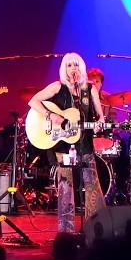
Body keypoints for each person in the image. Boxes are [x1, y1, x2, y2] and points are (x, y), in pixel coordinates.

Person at [28, 52, 106, 233]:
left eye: (76, 64)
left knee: (92, 184)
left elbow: (100, 115)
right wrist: (51, 114)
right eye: (69, 65)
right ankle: (66, 232)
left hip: (84, 142)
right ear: (64, 68)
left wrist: (99, 123)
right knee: (66, 186)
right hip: (63, 145)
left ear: (82, 68)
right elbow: (33, 101)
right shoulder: (57, 86)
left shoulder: (90, 88)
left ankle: (96, 228)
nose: (73, 68)